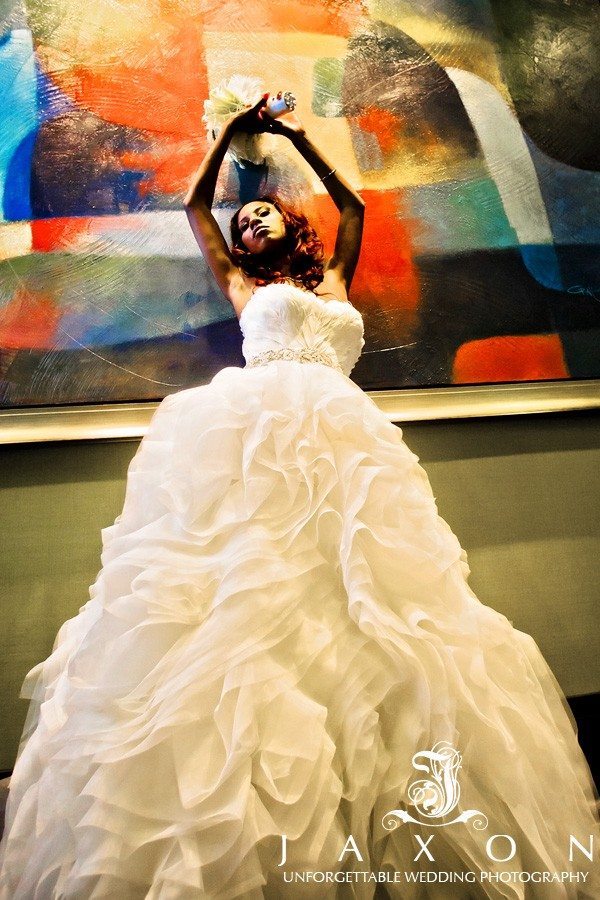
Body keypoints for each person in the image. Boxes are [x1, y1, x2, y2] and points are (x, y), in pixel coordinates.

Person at [0, 97, 598, 900]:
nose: (247, 226)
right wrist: (224, 147)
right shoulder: (244, 285)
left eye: (259, 215)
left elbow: (351, 204)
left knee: (372, 601)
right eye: (240, 224)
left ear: (290, 225)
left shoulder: (337, 276)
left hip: (345, 441)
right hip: (254, 439)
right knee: (252, 593)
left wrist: (294, 138)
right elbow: (193, 209)